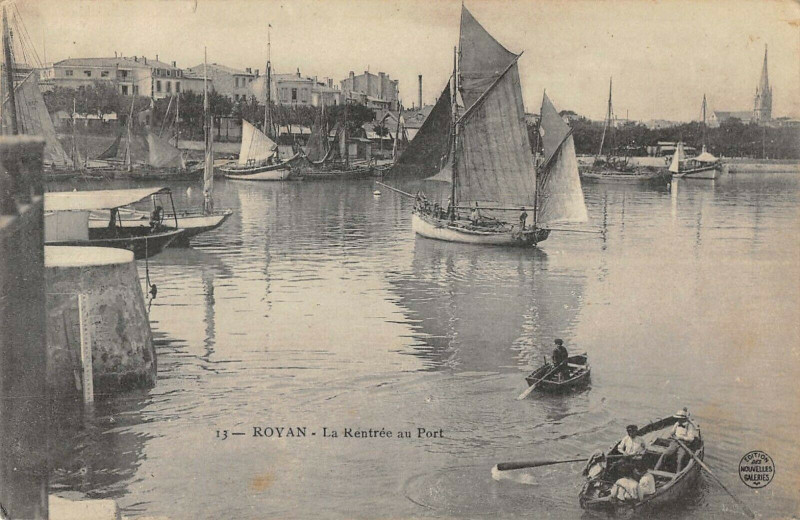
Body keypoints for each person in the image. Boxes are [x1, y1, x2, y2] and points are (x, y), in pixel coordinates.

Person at [655, 408, 698, 473]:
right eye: (678, 418)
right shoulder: (677, 423)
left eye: (680, 419)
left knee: (680, 458)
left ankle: (678, 473)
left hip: (684, 444)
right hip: (675, 442)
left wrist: (681, 437)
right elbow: (672, 432)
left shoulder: (689, 426)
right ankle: (656, 469)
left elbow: (691, 439)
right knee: (665, 454)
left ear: (684, 419)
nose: (678, 420)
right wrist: (672, 434)